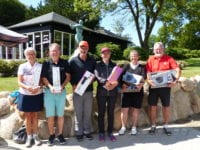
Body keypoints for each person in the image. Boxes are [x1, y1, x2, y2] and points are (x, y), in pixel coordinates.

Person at [146, 42, 181, 136]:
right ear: (153, 50)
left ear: (163, 49)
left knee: (166, 107)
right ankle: (153, 126)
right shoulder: (150, 59)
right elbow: (148, 72)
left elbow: (177, 69)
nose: (158, 50)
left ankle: (166, 126)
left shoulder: (169, 58)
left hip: (165, 88)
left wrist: (175, 80)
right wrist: (149, 80)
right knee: (152, 107)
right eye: (156, 49)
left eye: (160, 48)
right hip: (153, 87)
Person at [41, 43, 70, 146]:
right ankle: (52, 135)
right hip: (49, 93)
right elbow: (44, 78)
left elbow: (68, 76)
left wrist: (62, 86)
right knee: (50, 116)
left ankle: (60, 135)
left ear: (59, 52)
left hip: (61, 92)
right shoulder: (45, 64)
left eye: (56, 50)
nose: (54, 52)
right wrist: (50, 86)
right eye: (52, 51)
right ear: (49, 52)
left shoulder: (64, 63)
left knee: (60, 115)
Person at [69, 40, 96, 142]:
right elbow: (68, 75)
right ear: (78, 48)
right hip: (77, 91)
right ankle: (79, 132)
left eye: (85, 47)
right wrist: (73, 84)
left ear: (88, 48)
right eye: (81, 47)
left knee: (88, 112)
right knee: (78, 112)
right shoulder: (72, 61)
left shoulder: (92, 60)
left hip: (88, 91)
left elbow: (96, 74)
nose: (83, 49)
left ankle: (87, 132)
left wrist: (93, 79)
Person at [17, 47, 43, 147]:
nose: (31, 56)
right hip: (25, 94)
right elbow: (19, 81)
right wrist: (28, 87)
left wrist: (39, 87)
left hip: (37, 93)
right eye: (28, 54)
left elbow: (42, 81)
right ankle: (29, 137)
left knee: (36, 116)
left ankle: (36, 136)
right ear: (25, 56)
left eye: (32, 54)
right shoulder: (22, 66)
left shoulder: (40, 66)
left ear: (35, 55)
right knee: (28, 116)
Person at [118, 50, 146, 135]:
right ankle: (123, 127)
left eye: (135, 56)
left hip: (137, 92)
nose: (133, 57)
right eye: (132, 56)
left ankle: (134, 127)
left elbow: (143, 78)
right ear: (130, 57)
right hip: (126, 92)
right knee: (124, 110)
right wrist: (122, 85)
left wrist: (141, 84)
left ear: (138, 57)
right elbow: (119, 78)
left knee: (135, 110)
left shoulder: (141, 67)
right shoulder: (125, 66)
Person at [94, 47, 118, 142]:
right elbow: (97, 76)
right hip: (101, 92)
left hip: (112, 92)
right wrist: (106, 82)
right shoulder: (98, 65)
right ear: (101, 55)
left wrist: (114, 84)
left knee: (111, 113)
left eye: (108, 53)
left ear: (110, 54)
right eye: (104, 53)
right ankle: (101, 132)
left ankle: (110, 132)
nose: (106, 54)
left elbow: (118, 78)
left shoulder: (114, 65)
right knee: (101, 113)